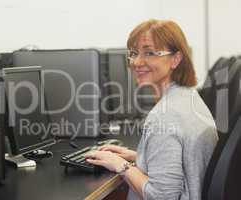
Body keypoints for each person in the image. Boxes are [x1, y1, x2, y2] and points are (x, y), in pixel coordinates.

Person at [85, 19, 218, 200]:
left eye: (149, 53)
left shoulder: (165, 116)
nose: (137, 62)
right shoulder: (189, 97)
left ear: (175, 59)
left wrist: (121, 166)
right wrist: (138, 157)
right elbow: (181, 159)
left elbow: (162, 196)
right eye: (134, 53)